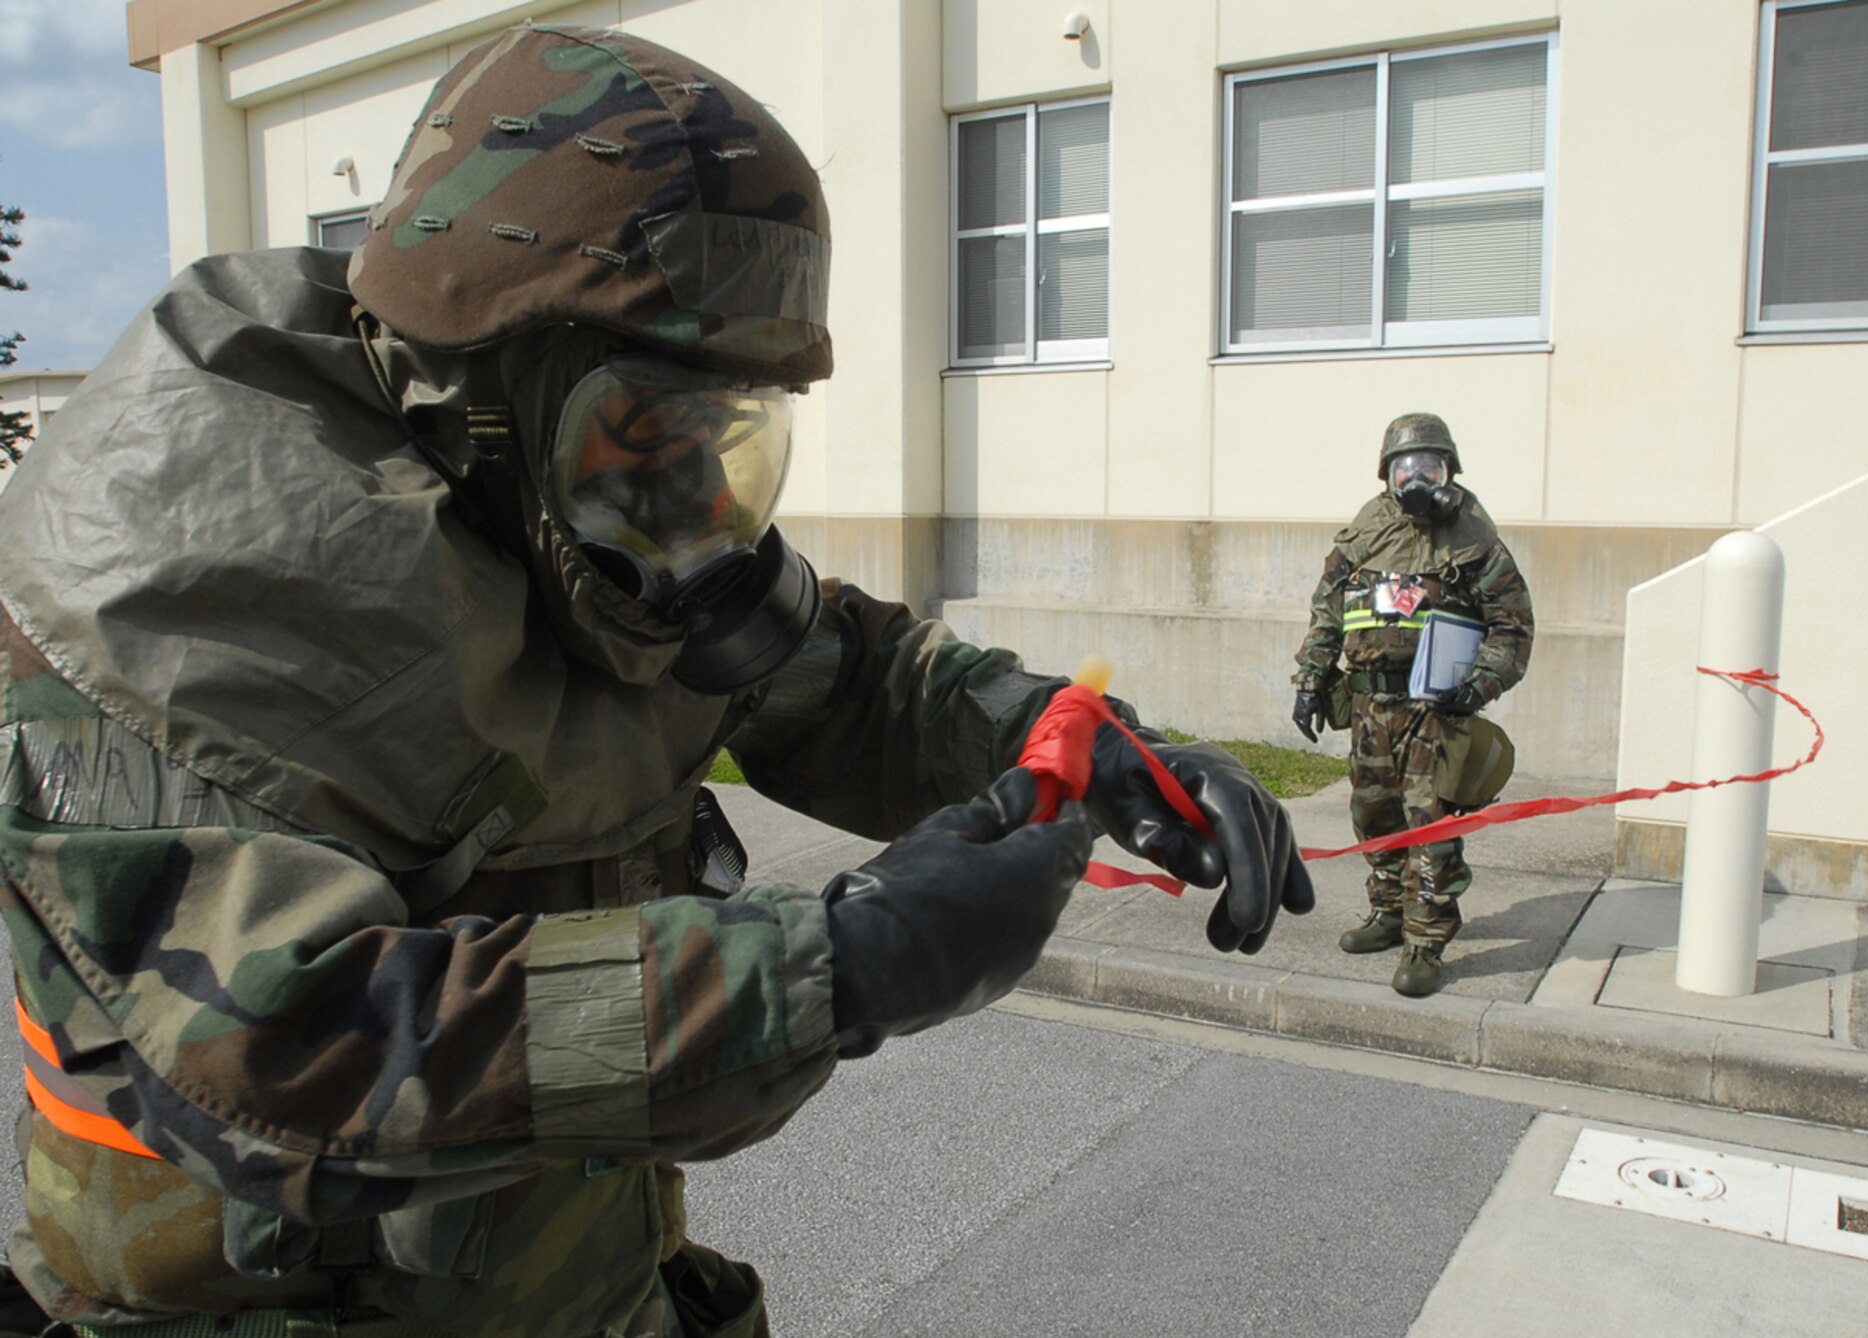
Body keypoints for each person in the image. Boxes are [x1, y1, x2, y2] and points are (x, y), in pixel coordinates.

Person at [0, 25, 1313, 1338]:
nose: (697, 501)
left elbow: (846, 674)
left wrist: (1075, 737)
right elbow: (283, 1056)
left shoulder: (577, 515)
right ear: (483, 392)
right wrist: (844, 962)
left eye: (735, 437)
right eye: (651, 433)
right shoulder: (175, 593)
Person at [1290, 413, 1533, 999]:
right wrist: (1309, 679)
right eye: (1405, 467)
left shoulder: (1474, 541)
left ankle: (1426, 938)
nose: (1417, 477)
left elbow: (1513, 625)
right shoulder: (1364, 533)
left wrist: (1480, 684)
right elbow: (1329, 610)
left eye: (1431, 465)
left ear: (1449, 471)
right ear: (1387, 476)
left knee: (1432, 824)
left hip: (1436, 710)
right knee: (1375, 816)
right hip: (1372, 705)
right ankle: (1389, 913)